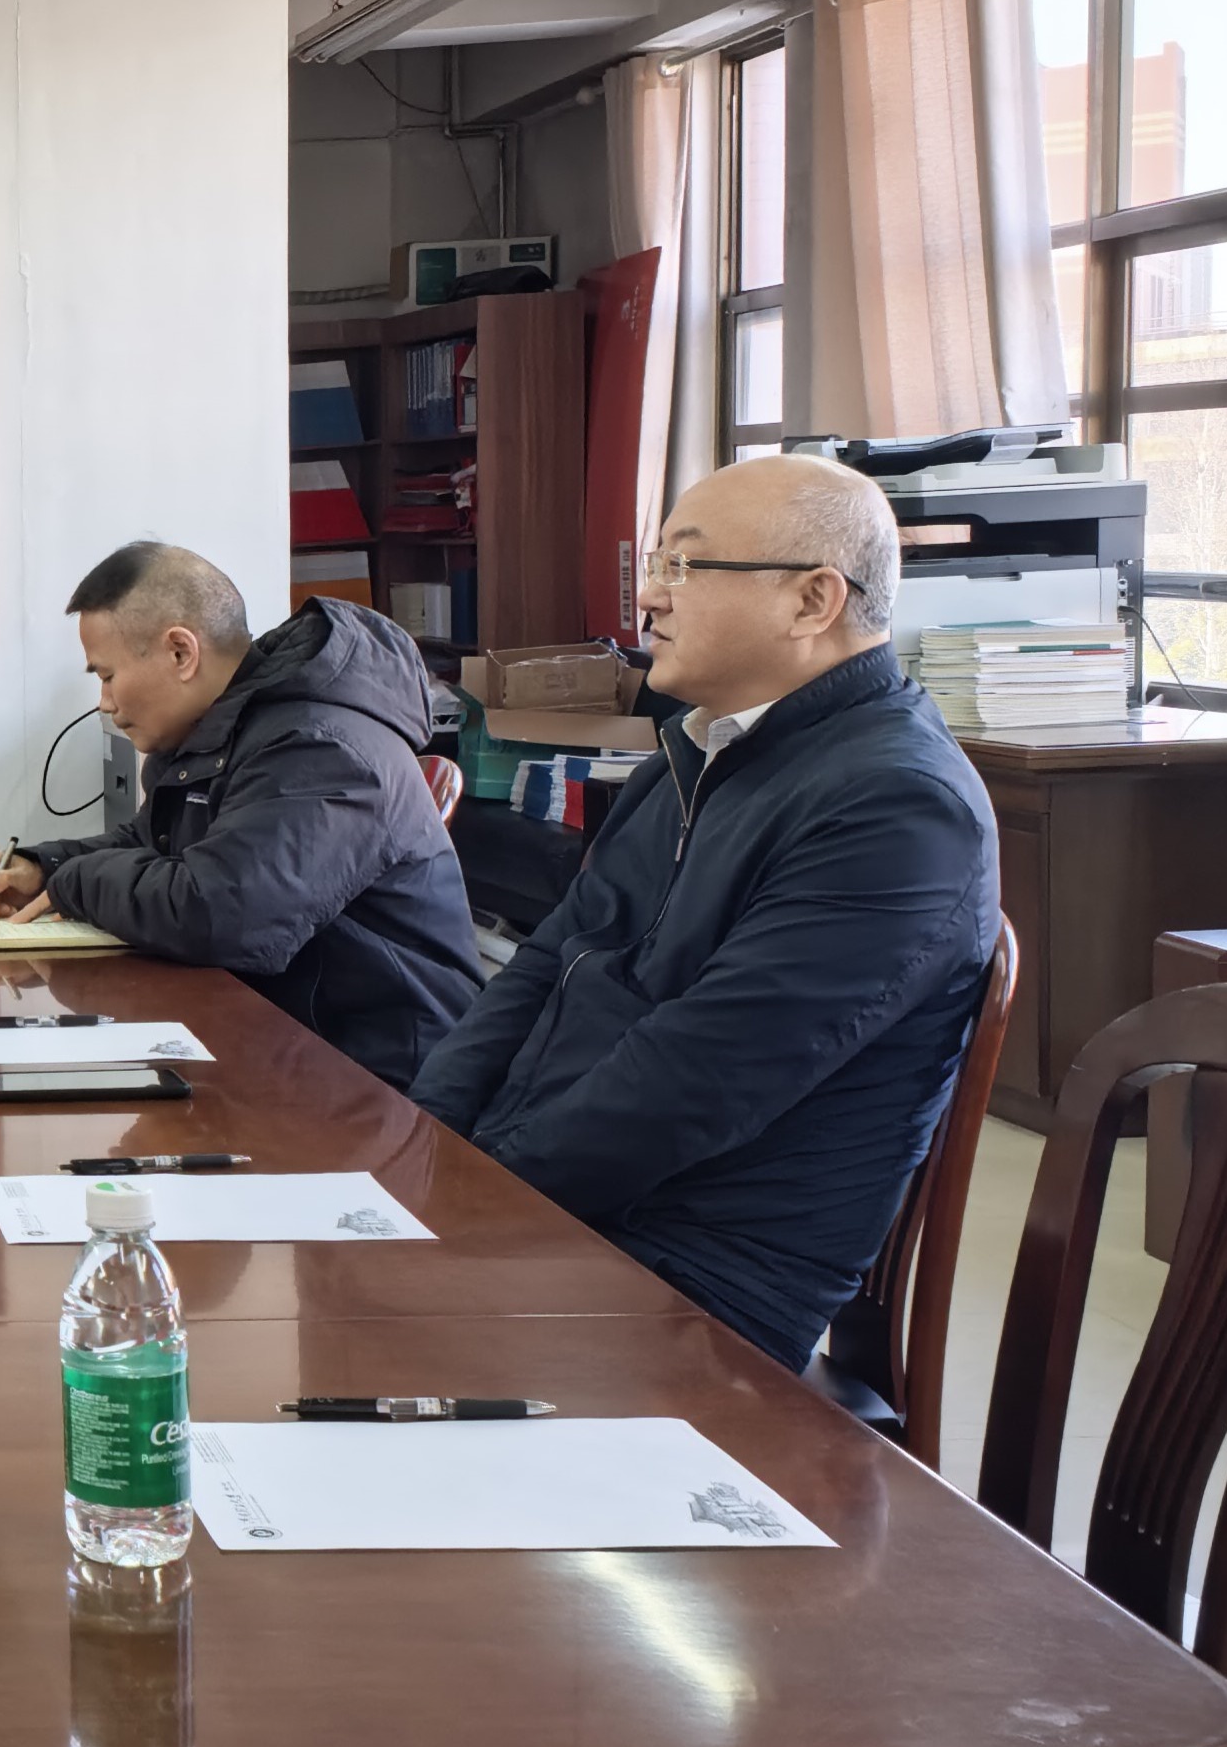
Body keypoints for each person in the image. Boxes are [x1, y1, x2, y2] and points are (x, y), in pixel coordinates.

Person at [410, 456, 997, 1372]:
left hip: (691, 1281)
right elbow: (546, 963)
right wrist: (424, 1142)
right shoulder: (694, 754)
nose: (649, 599)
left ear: (813, 600)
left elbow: (691, 1084)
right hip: (558, 1208)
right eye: (657, 565)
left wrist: (470, 1195)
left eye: (683, 566)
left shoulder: (899, 809)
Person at [0, 545, 477, 1087]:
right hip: (275, 1039)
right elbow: (151, 841)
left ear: (181, 653)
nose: (105, 702)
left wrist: (73, 883)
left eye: (109, 675)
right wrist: (44, 866)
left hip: (378, 1078)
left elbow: (225, 915)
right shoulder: (222, 730)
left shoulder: (321, 748)